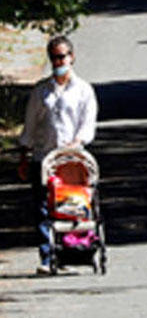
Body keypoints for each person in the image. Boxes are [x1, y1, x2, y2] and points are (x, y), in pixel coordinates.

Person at [17, 35, 98, 275]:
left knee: (71, 207)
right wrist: (24, 155)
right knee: (43, 209)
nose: (58, 61)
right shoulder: (41, 92)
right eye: (53, 58)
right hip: (44, 159)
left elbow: (87, 124)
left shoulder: (83, 90)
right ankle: (47, 256)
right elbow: (30, 126)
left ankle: (71, 251)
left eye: (62, 56)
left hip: (72, 160)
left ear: (72, 57)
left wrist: (78, 142)